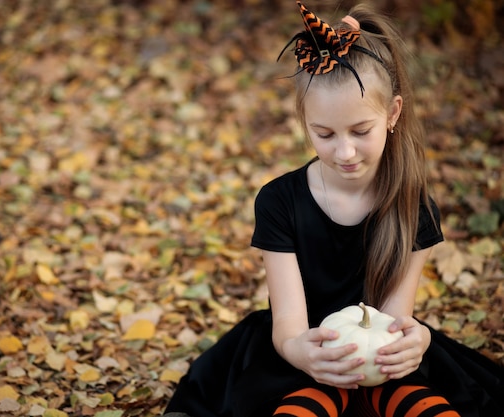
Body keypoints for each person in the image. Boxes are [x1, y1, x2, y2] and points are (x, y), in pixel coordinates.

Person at [163, 2, 504, 417]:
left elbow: (394, 321)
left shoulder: (415, 209)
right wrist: (299, 352)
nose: (344, 152)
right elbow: (289, 324)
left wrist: (417, 342)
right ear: (304, 121)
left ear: (393, 114)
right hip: (305, 356)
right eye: (323, 134)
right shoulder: (279, 201)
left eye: (361, 131)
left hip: (382, 362)